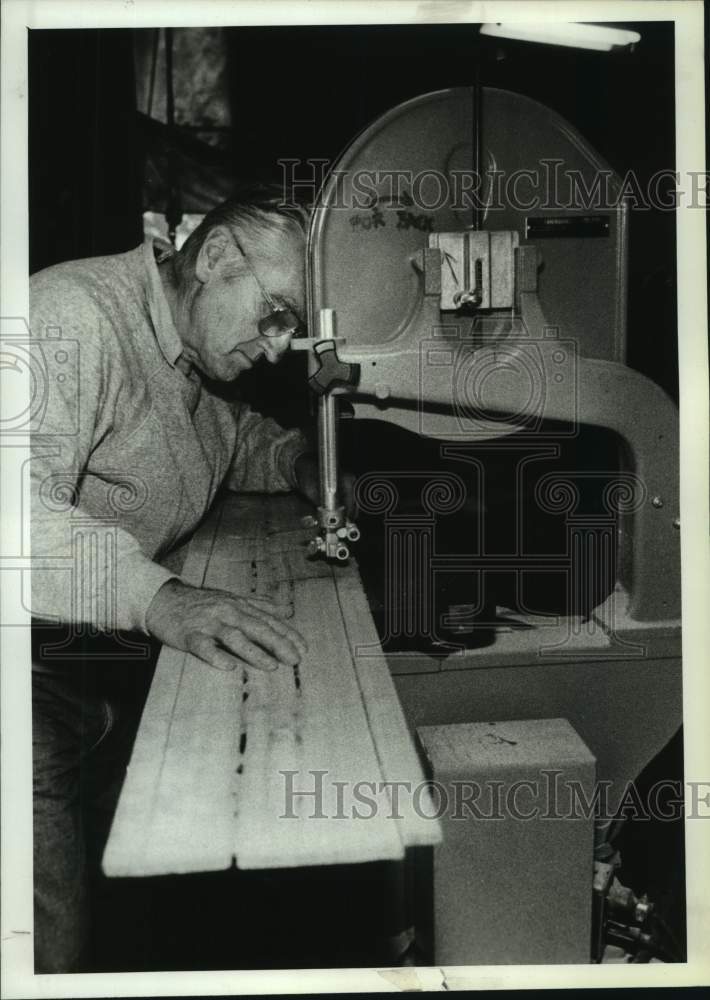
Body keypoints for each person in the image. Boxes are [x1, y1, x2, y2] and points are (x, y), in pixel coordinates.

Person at [29, 190, 339, 972]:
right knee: (47, 948)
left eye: (293, 330)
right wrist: (165, 600)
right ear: (217, 257)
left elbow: (232, 445)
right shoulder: (70, 316)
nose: (278, 348)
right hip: (22, 688)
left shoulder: (194, 357)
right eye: (276, 314)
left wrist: (308, 465)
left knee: (142, 906)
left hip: (100, 673)